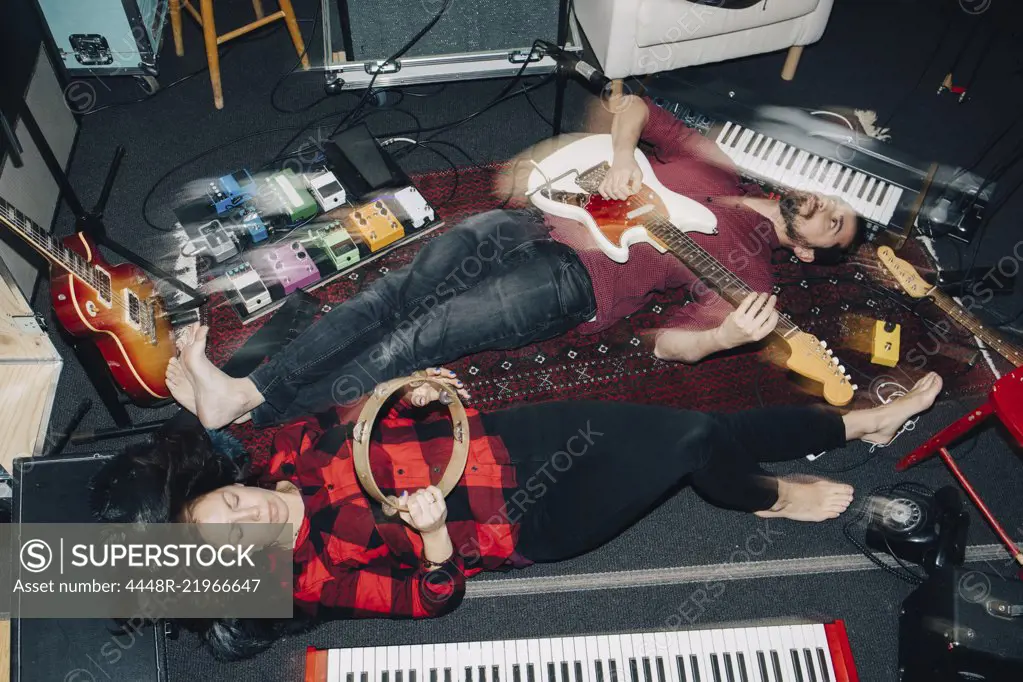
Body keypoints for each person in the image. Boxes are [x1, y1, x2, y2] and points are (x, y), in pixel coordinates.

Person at [95, 328, 944, 660]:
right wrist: (430, 537)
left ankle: (855, 428)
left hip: (511, 441)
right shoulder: (312, 576)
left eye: (230, 505)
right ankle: (765, 500)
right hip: (527, 519)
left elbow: (350, 416)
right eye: (241, 539)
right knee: (690, 443)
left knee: (694, 425)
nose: (254, 515)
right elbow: (430, 602)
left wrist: (412, 395)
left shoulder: (269, 456)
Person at [171, 94, 863, 429]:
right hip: (540, 215)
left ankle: (254, 407)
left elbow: (668, 347)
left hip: (576, 281)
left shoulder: (752, 279)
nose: (829, 209)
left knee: (420, 336)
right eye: (836, 202)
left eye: (835, 227)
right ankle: (245, 397)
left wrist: (722, 338)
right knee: (393, 292)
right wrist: (623, 160)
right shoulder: (713, 161)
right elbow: (631, 106)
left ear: (806, 251)